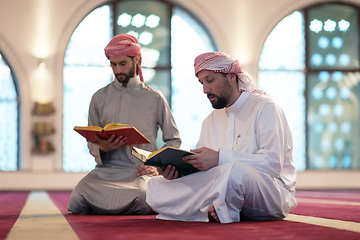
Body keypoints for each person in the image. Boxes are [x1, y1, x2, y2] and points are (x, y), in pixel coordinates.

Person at [146, 52, 297, 223]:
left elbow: (272, 164)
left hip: (270, 192)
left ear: (231, 77)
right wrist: (179, 174)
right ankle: (218, 208)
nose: (205, 90)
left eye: (210, 80)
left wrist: (219, 158)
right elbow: (204, 172)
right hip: (222, 187)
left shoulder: (265, 107)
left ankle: (213, 208)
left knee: (234, 172)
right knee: (156, 186)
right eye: (201, 83)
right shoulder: (209, 121)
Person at [67, 34, 181, 215]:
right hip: (105, 172)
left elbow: (173, 139)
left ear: (136, 60)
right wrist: (102, 148)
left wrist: (157, 167)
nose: (117, 69)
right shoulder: (99, 97)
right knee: (77, 200)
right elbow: (92, 142)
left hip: (138, 173)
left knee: (143, 199)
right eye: (113, 64)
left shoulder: (155, 97)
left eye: (122, 64)